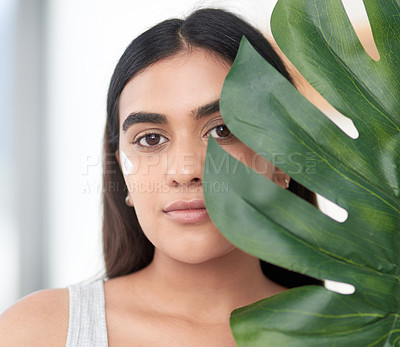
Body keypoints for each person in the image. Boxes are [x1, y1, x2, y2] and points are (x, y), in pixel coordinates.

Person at [0, 8, 320, 346]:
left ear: (282, 159)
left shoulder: (359, 335)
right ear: (122, 173)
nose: (185, 172)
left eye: (223, 129)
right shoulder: (37, 332)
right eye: (150, 139)